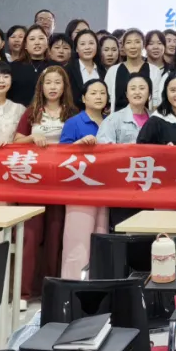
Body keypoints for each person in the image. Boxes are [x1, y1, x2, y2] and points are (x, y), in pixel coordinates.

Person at [13, 66, 75, 298]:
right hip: (32, 182)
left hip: (61, 182)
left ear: (64, 87)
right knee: (30, 236)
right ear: (41, 86)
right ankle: (24, 291)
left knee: (55, 235)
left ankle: (51, 290)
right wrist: (31, 137)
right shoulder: (31, 113)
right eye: (48, 82)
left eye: (57, 82)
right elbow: (15, 142)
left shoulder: (72, 113)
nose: (52, 87)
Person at [59, 78, 112, 279]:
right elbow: (60, 156)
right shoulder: (73, 122)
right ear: (83, 98)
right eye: (93, 93)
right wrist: (79, 144)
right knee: (77, 241)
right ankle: (73, 283)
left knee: (100, 235)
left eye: (102, 93)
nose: (98, 97)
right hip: (79, 189)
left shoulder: (111, 121)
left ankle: (96, 283)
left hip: (105, 188)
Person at [106, 29, 162, 112]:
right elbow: (107, 99)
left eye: (137, 42)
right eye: (128, 42)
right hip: (117, 118)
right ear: (123, 46)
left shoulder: (154, 71)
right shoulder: (113, 71)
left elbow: (156, 102)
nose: (133, 46)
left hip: (145, 118)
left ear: (143, 45)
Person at [137, 70, 176, 145]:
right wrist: (163, 149)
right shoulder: (156, 121)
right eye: (173, 90)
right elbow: (140, 148)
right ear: (166, 92)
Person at [97, 73, 152, 146]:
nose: (137, 92)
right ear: (127, 94)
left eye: (142, 88)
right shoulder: (112, 120)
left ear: (149, 93)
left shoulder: (157, 119)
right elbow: (104, 148)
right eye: (133, 88)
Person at [9, 25, 57, 106]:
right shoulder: (13, 67)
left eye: (41, 38)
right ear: (25, 45)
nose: (37, 42)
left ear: (47, 43)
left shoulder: (56, 67)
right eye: (32, 39)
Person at [65, 30, 106, 108]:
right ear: (76, 49)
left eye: (91, 43)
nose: (87, 47)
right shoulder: (68, 70)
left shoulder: (102, 70)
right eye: (82, 44)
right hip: (74, 113)